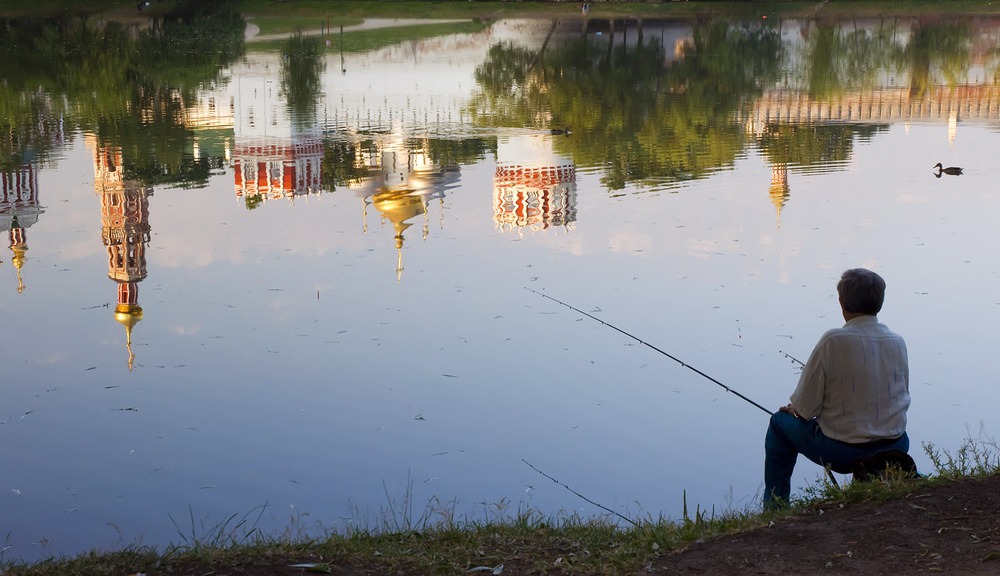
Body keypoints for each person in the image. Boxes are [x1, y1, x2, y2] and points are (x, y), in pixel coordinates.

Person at [763, 268, 911, 509]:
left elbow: (804, 409)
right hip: (895, 447)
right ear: (880, 303)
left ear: (842, 302)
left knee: (779, 424)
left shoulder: (832, 341)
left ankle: (775, 507)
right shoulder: (898, 341)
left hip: (842, 452)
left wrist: (794, 411)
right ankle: (866, 491)